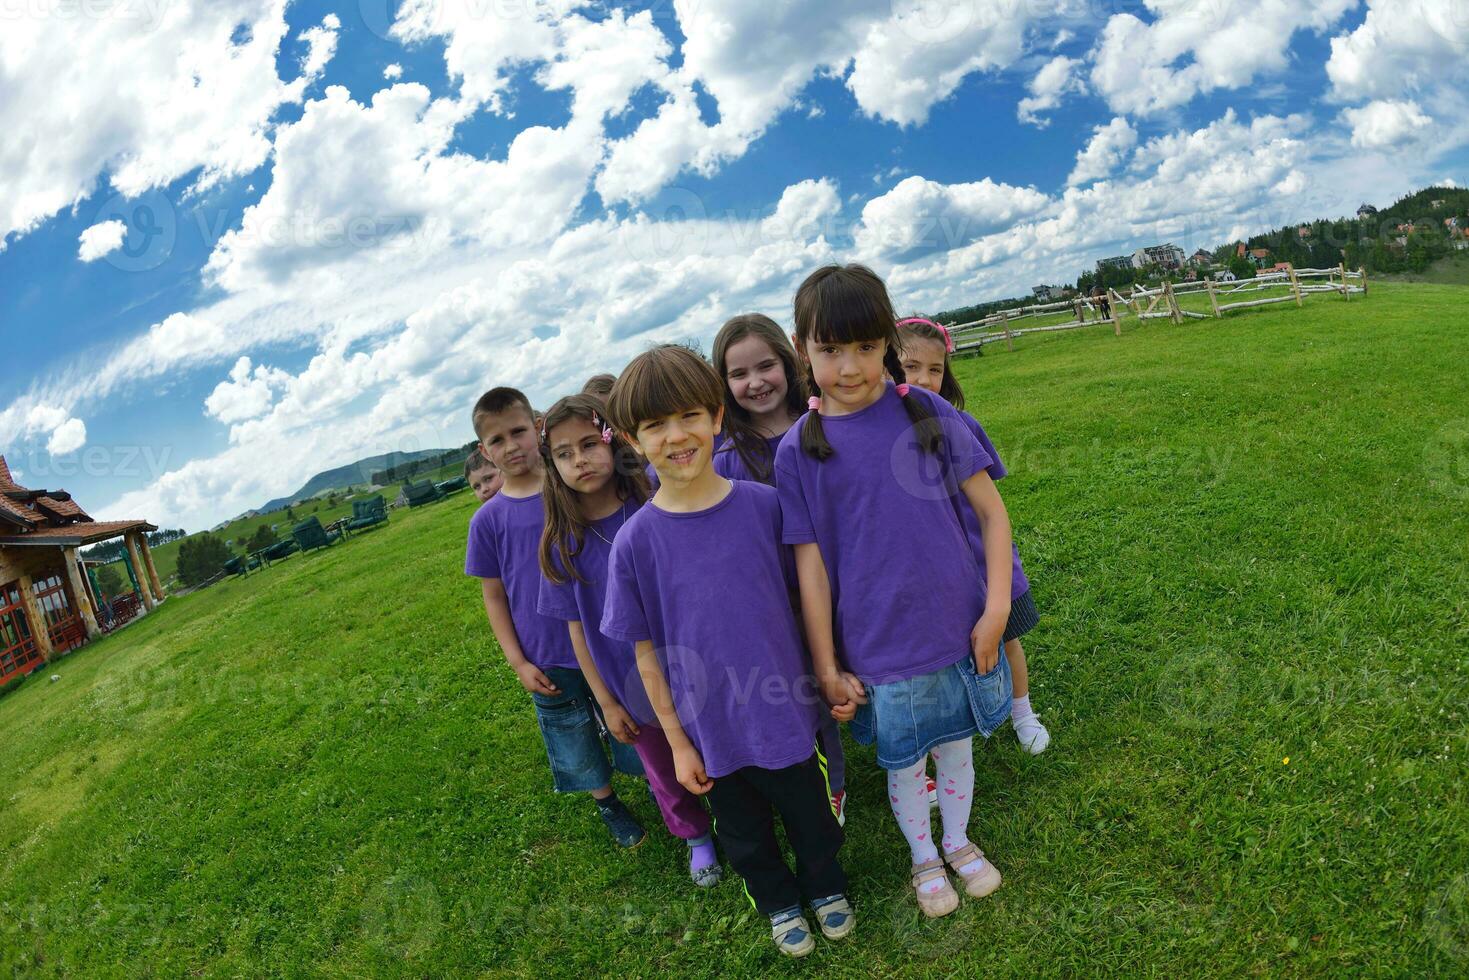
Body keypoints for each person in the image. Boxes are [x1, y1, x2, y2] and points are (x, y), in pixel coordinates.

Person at [777, 264, 1015, 919]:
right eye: (829, 349)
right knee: (905, 762)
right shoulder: (798, 450)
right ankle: (923, 859)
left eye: (862, 347)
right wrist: (825, 665)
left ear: (886, 342)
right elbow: (811, 568)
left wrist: (996, 609)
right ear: (803, 349)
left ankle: (960, 841)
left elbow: (992, 515)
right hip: (877, 645)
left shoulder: (926, 411)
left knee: (957, 746)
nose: (848, 366)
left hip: (959, 625)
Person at [601, 345, 852, 957]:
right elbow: (646, 658)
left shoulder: (765, 507)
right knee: (743, 836)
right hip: (709, 729)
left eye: (687, 415)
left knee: (813, 819)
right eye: (654, 425)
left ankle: (823, 888)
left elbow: (810, 601)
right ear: (633, 441)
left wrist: (830, 670)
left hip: (788, 712)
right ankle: (777, 902)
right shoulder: (633, 545)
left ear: (717, 417)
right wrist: (679, 742)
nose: (675, 436)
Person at [536, 393, 721, 887]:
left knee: (714, 742)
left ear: (614, 441)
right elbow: (576, 631)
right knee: (662, 766)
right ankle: (696, 836)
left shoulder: (657, 498)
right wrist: (605, 702)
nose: (580, 460)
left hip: (694, 660)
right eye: (564, 453)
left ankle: (740, 811)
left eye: (589, 444)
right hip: (628, 682)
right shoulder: (560, 544)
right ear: (552, 466)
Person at [465, 386, 645, 847]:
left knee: (629, 714)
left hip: (605, 639)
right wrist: (517, 661)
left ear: (537, 429)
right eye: (498, 440)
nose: (512, 446)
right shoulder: (487, 521)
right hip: (546, 654)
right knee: (572, 731)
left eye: (519, 431)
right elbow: (494, 597)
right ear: (485, 451)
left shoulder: (569, 489)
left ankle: (652, 778)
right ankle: (606, 802)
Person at [710, 314, 850, 823]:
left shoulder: (826, 423)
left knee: (867, 670)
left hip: (849, 578)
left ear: (789, 363)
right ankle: (832, 783)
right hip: (781, 600)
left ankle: (904, 753)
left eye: (766, 365)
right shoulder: (724, 458)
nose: (755, 382)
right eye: (738, 374)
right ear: (722, 384)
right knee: (815, 687)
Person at [898, 317, 1050, 754]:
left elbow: (990, 507)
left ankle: (1022, 711)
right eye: (910, 367)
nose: (924, 379)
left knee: (1008, 638)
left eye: (935, 369)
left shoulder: (960, 424)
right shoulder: (881, 436)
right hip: (934, 571)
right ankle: (949, 730)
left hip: (987, 561)